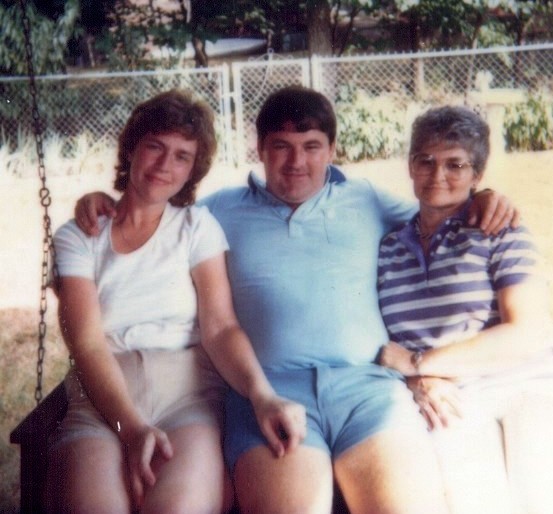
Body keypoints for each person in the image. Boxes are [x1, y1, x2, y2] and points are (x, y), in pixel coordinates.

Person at [74, 86, 519, 514]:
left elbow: (437, 213)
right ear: (260, 149)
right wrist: (103, 204)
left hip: (368, 388)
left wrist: (482, 197)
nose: (296, 162)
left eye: (311, 146)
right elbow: (154, 211)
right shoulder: (217, 212)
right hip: (268, 390)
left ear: (332, 149)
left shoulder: (366, 199)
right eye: (281, 147)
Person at [46, 89, 306, 514]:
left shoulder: (196, 227)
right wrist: (130, 428)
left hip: (186, 398)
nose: (165, 165)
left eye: (182, 156)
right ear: (132, 148)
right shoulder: (79, 236)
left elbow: (221, 328)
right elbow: (87, 344)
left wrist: (263, 395)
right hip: (102, 401)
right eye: (155, 147)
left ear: (192, 170)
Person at [377, 105, 553, 514]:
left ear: (478, 174)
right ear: (410, 166)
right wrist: (418, 380)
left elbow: (528, 333)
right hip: (450, 397)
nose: (437, 175)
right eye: (426, 161)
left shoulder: (499, 230)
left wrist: (420, 363)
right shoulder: (387, 248)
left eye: (455, 164)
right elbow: (386, 346)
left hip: (527, 382)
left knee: (539, 493)